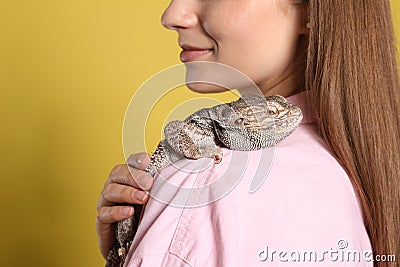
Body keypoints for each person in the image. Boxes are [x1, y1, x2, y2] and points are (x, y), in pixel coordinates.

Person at [96, 0, 400, 266]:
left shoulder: (211, 180)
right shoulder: (347, 167)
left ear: (310, 8)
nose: (172, 15)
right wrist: (139, 246)